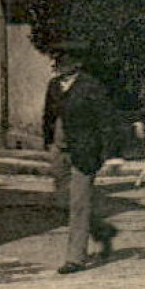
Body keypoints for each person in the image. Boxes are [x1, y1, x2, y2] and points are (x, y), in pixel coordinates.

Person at [41, 42, 120, 274]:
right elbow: (47, 115)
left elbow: (107, 121)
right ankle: (102, 230)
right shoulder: (54, 86)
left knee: (78, 203)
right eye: (55, 59)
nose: (55, 64)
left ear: (76, 63)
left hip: (85, 152)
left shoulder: (91, 86)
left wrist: (113, 155)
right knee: (64, 200)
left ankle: (75, 258)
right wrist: (47, 143)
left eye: (61, 60)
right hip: (59, 150)